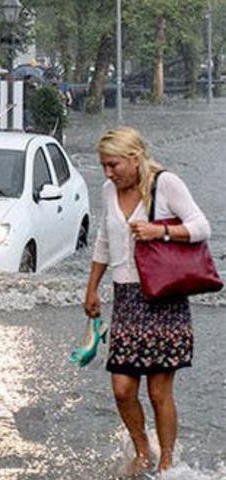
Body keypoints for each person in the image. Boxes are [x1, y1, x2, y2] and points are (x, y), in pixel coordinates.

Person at [83, 127, 211, 475]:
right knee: (122, 389)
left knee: (158, 391)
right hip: (125, 298)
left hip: (163, 297)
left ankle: (167, 460)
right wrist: (92, 287)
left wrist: (161, 231)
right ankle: (143, 452)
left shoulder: (165, 183)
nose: (108, 173)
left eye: (113, 165)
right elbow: (103, 240)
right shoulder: (109, 190)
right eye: (103, 166)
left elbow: (202, 227)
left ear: (134, 158)